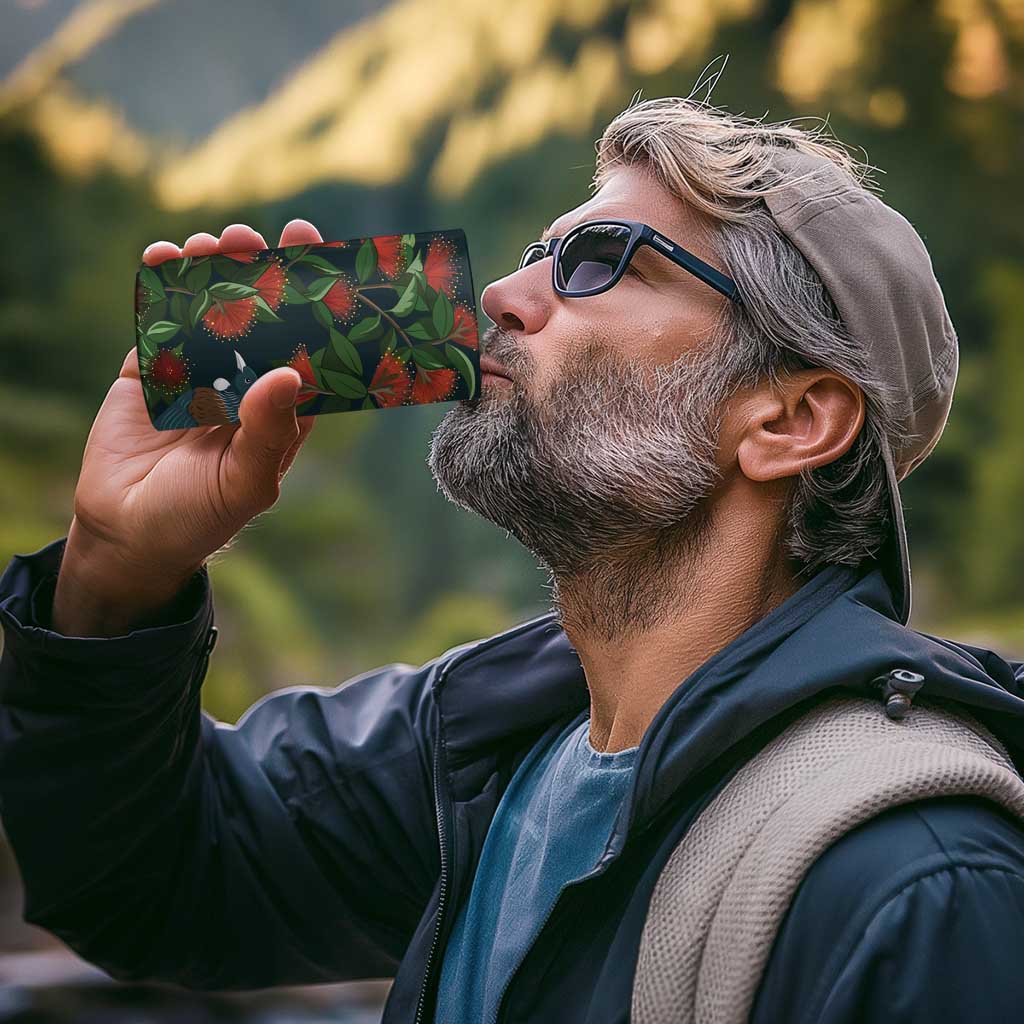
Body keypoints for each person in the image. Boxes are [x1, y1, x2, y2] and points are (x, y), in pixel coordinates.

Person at [2, 94, 1024, 1024]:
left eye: (599, 261)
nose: (501, 292)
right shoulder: (480, 748)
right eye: (540, 252)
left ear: (790, 419)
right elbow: (148, 880)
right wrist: (115, 572)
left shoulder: (918, 884)